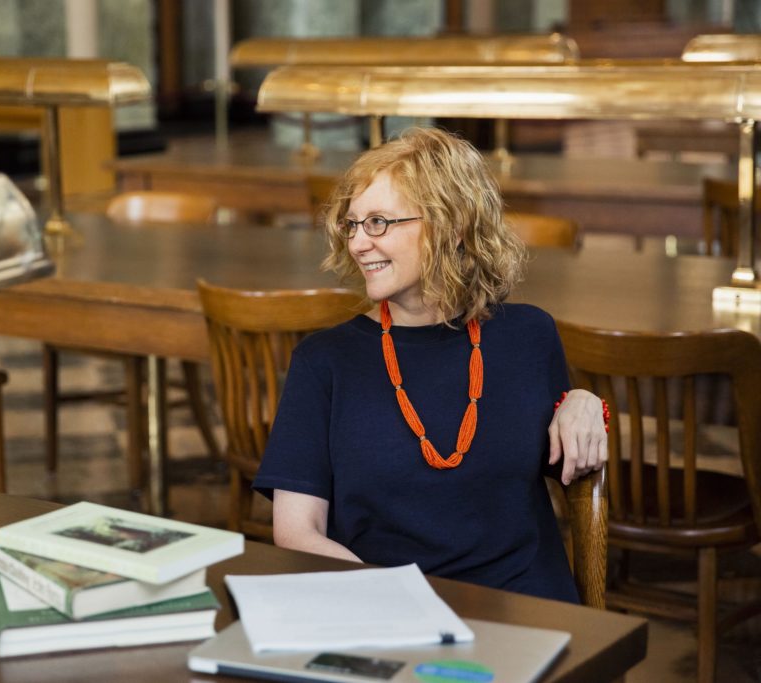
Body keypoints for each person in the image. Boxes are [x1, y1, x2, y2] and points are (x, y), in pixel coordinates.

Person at [252, 128, 608, 603]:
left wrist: (582, 401)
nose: (358, 243)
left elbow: (562, 454)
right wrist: (391, 603)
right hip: (387, 605)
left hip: (525, 608)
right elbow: (297, 532)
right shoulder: (325, 362)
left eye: (379, 222)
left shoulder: (528, 335)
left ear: (451, 225)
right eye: (352, 224)